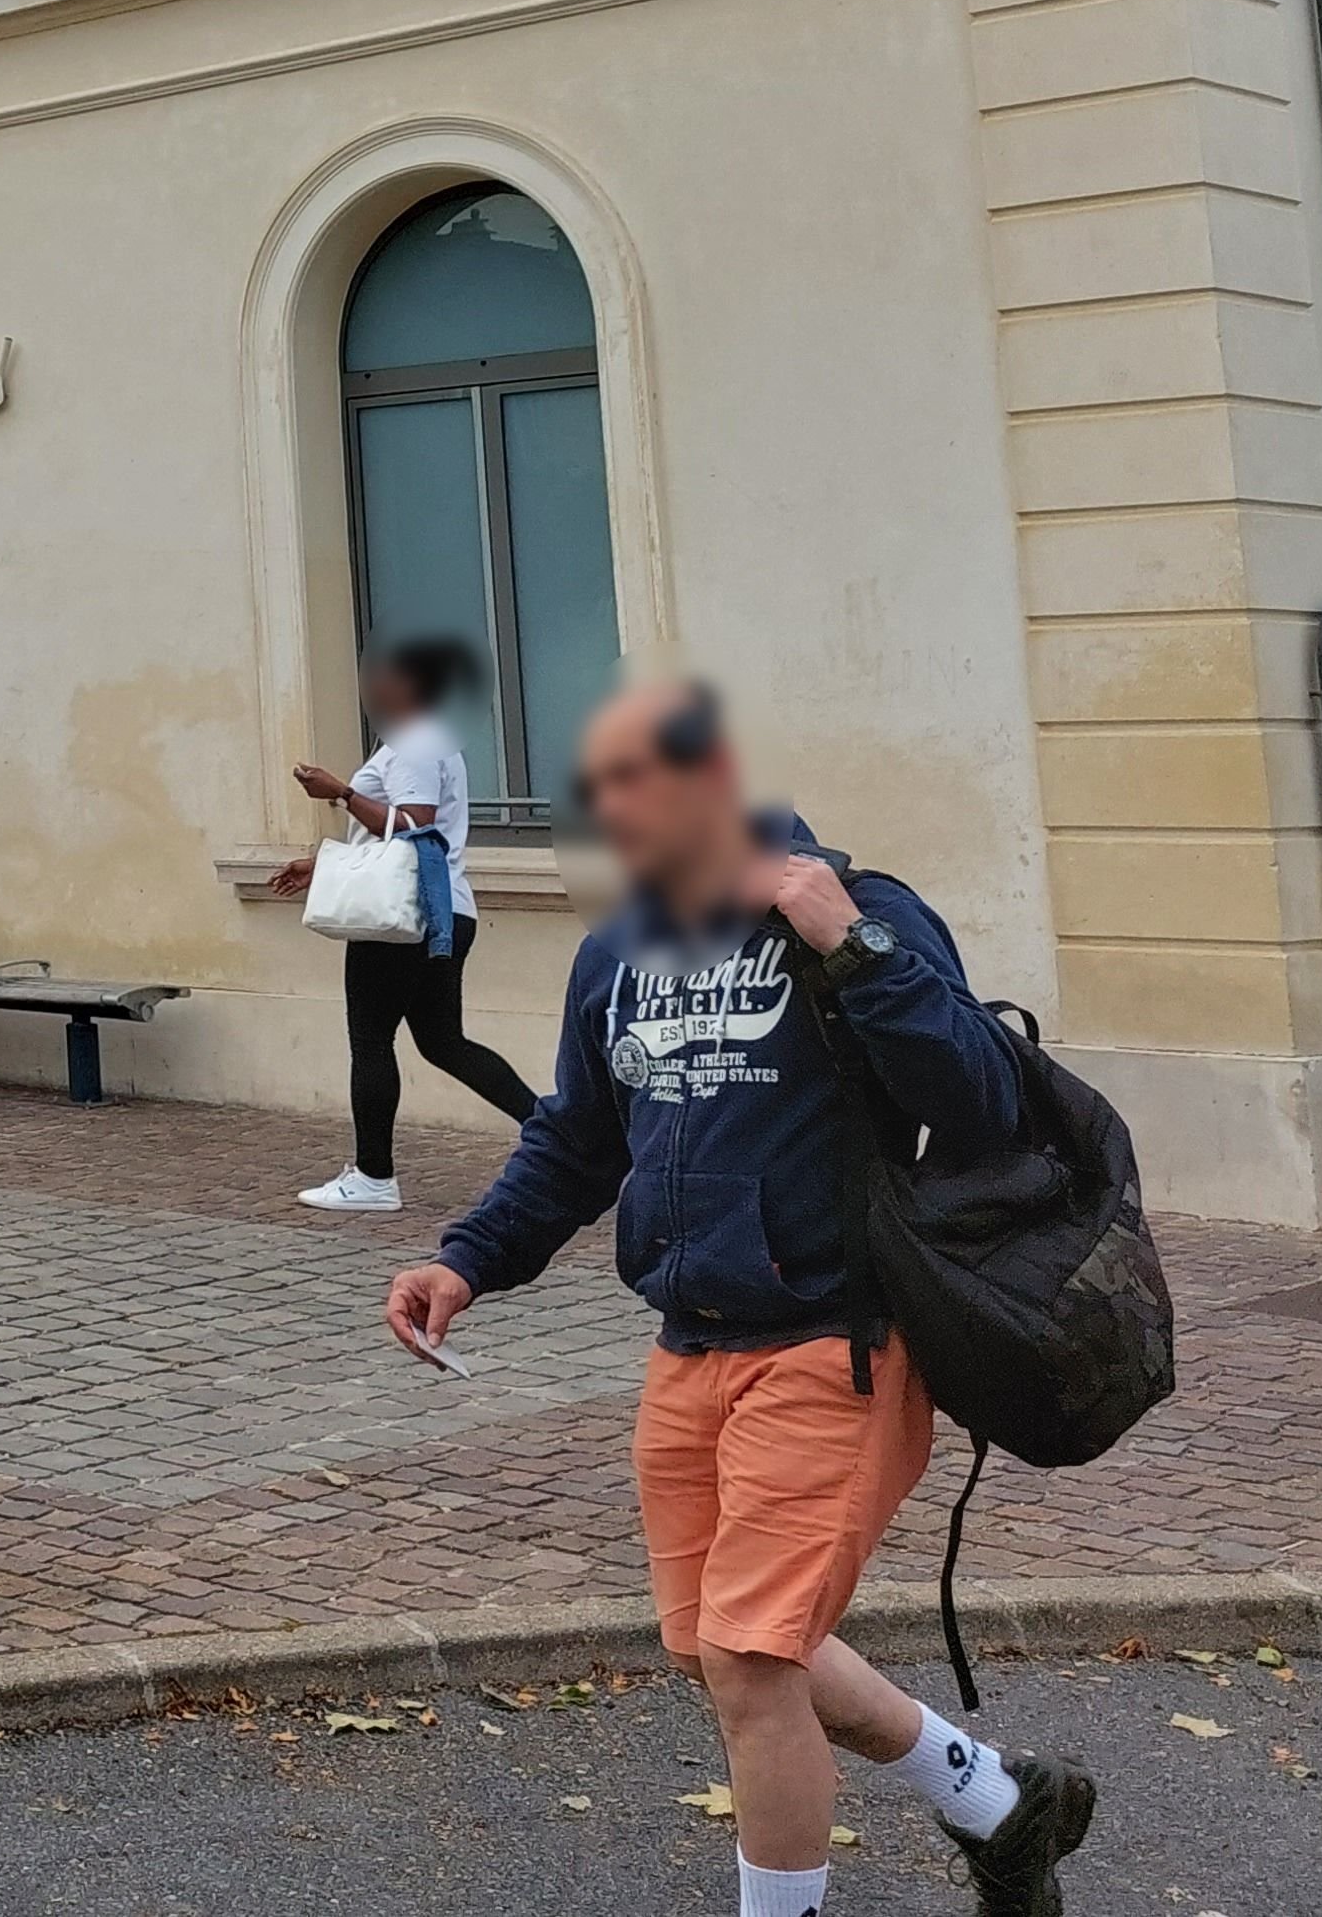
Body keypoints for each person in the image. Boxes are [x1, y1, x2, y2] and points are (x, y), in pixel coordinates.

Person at [381, 676, 1095, 1917]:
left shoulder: (861, 911)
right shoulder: (620, 948)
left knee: (751, 1659)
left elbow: (979, 1099)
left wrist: (849, 946)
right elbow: (576, 1140)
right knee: (726, 1647)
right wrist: (468, 1258)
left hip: (836, 1342)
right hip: (688, 1345)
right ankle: (994, 1799)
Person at [286, 636, 541, 1212]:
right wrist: (321, 863)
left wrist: (341, 792)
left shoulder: (416, 742)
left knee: (372, 1040)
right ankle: (559, 1135)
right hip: (438, 911)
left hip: (405, 919)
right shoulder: (420, 741)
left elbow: (412, 825)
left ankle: (374, 1178)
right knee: (443, 1042)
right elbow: (400, 835)